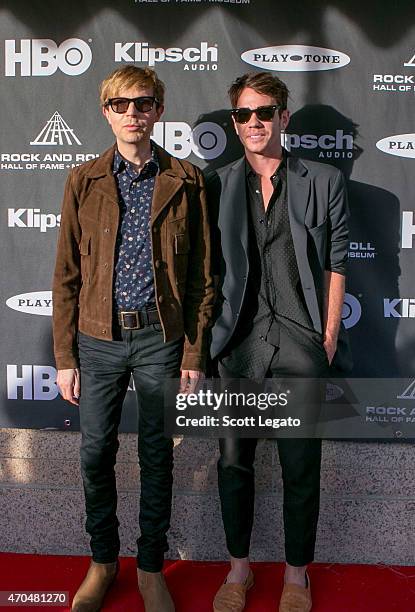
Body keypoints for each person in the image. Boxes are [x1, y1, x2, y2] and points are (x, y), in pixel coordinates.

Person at [52, 65, 214, 612]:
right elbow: (67, 277)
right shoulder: (83, 180)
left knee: (156, 456)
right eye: (120, 104)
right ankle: (102, 562)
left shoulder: (187, 180)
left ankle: (149, 568)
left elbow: (202, 278)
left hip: (161, 340)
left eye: (142, 103)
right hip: (97, 340)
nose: (132, 113)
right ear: (106, 111)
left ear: (158, 111)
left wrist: (193, 351)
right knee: (95, 452)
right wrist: (64, 356)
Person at [206, 72, 350, 612]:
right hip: (239, 341)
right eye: (243, 115)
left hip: (300, 340)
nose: (253, 123)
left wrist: (328, 334)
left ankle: (296, 573)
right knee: (233, 461)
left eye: (264, 112)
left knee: (300, 465)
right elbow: (208, 271)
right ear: (235, 122)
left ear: (284, 117)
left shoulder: (323, 180)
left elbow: (337, 262)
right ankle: (239, 568)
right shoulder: (216, 183)